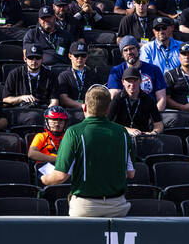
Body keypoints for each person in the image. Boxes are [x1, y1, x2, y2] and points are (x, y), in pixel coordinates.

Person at [41, 85, 135, 218]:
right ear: (108, 109)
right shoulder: (123, 132)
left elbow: (60, 177)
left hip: (85, 208)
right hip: (118, 207)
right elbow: (130, 173)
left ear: (84, 107)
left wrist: (44, 179)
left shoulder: (74, 132)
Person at [3, 45, 58, 126]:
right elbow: (6, 99)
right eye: (31, 58)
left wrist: (48, 112)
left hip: (42, 110)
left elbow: (54, 101)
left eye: (37, 58)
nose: (34, 61)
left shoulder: (50, 75)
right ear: (25, 59)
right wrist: (21, 98)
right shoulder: (14, 74)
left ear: (42, 59)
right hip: (21, 111)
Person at [107, 36, 167, 111]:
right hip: (126, 113)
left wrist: (154, 117)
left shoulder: (154, 70)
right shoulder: (116, 71)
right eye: (125, 50)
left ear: (138, 50)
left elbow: (162, 98)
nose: (129, 52)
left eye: (132, 48)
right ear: (122, 55)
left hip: (151, 112)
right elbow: (114, 97)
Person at [108, 66, 164, 136]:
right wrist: (127, 129)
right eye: (129, 81)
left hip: (142, 137)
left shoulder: (148, 100)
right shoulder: (118, 99)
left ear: (140, 81)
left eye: (135, 80)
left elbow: (159, 124)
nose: (132, 84)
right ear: (123, 82)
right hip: (122, 136)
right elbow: (107, 123)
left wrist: (153, 133)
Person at [57, 41, 105, 113]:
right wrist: (82, 106)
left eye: (83, 55)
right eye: (76, 55)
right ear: (70, 56)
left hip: (90, 111)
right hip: (69, 111)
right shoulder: (64, 75)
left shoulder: (93, 75)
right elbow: (63, 99)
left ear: (87, 56)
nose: (80, 58)